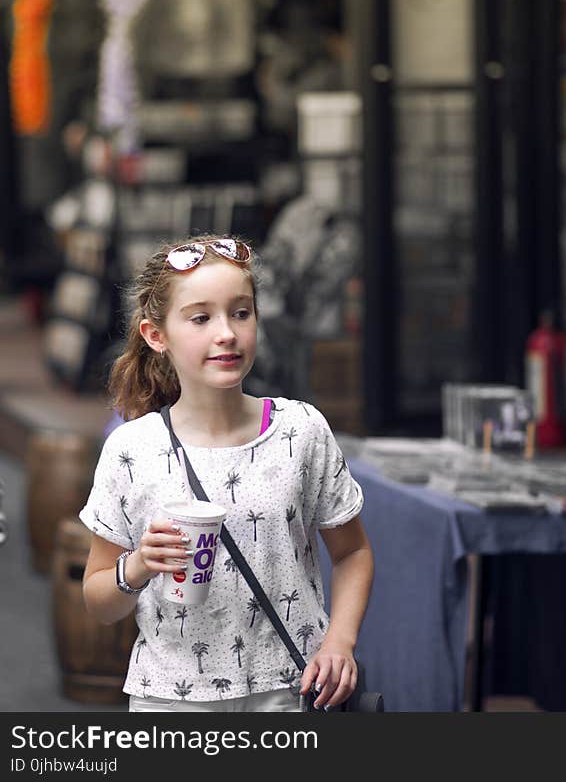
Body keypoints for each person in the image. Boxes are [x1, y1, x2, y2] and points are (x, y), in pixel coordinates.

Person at [79, 235, 373, 712]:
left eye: (241, 312)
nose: (227, 333)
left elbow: (353, 550)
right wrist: (136, 567)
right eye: (200, 318)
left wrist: (340, 641)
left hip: (290, 689)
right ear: (157, 336)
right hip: (171, 699)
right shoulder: (131, 450)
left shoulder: (301, 430)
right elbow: (98, 601)